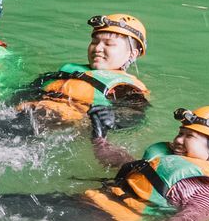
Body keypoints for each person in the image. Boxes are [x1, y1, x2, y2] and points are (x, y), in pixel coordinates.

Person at [81, 105, 209, 221]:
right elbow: (123, 162)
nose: (178, 140)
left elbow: (187, 220)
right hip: (92, 204)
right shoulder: (169, 161)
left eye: (189, 136)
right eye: (181, 133)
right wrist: (99, 136)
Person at [11, 13, 150, 134]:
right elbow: (29, 90)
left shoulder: (125, 87)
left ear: (132, 54)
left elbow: (135, 116)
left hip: (51, 126)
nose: (98, 48)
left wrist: (114, 120)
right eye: (94, 42)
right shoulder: (69, 71)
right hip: (23, 115)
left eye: (108, 44)